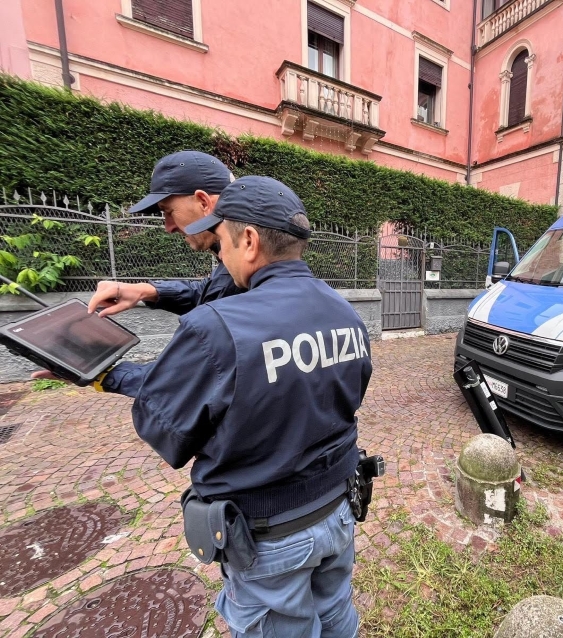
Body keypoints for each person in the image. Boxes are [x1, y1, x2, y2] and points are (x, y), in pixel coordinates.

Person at [96, 176, 372, 637]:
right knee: (336, 612)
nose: (218, 257)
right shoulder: (346, 314)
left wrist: (105, 375)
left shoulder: (215, 327)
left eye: (220, 241)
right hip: (338, 510)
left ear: (248, 240)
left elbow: (167, 432)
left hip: (270, 535)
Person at [87, 150, 241, 320]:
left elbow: (212, 314)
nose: (168, 227)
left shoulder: (251, 263)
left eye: (168, 211)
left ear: (203, 203)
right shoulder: (241, 254)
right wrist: (146, 291)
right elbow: (212, 291)